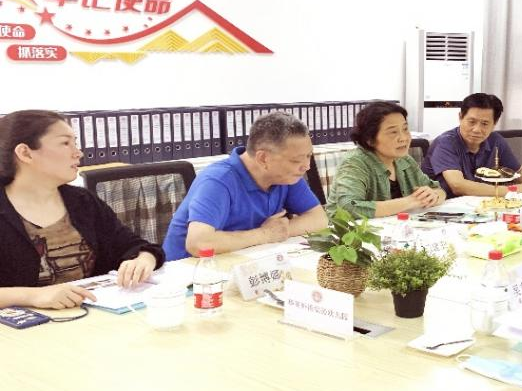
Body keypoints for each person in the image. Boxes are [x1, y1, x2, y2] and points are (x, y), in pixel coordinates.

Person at [0, 110, 164, 309]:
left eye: (75, 143)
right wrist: (32, 296)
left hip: (90, 317)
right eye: (65, 143)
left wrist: (144, 259)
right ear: (25, 153)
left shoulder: (82, 201)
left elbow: (134, 245)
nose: (78, 153)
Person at [162, 112, 328, 260]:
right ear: (263, 158)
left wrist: (279, 231)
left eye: (309, 156)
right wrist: (264, 234)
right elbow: (199, 243)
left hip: (243, 261)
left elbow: (319, 219)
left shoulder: (286, 177)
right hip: (191, 273)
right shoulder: (218, 180)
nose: (306, 166)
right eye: (296, 160)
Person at [327, 102, 445, 218]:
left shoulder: (405, 160)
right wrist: (410, 201)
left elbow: (438, 189)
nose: (403, 138)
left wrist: (434, 195)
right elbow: (348, 207)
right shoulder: (354, 163)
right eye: (393, 132)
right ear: (370, 139)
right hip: (353, 230)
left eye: (405, 129)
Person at [421, 93, 522, 197]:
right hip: (442, 207)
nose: (477, 129)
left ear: (494, 123)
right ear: (460, 117)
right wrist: (515, 189)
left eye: (484, 124)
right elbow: (458, 186)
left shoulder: (496, 140)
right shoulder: (445, 143)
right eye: (471, 122)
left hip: (478, 204)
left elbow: (518, 171)